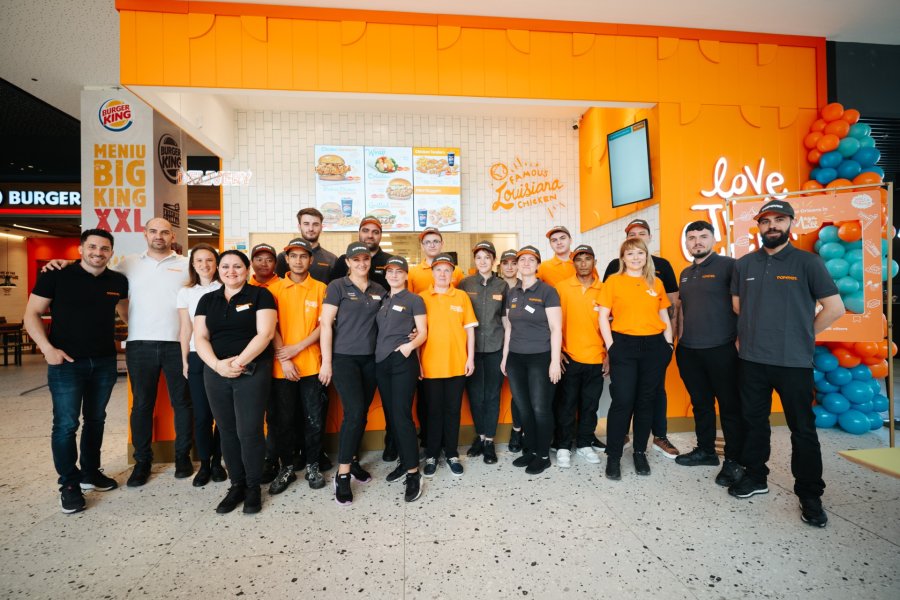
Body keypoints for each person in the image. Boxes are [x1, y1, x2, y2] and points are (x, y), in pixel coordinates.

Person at [730, 200, 844, 527]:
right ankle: (756, 477)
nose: (772, 226)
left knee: (802, 430)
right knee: (754, 423)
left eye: (779, 219)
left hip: (793, 363)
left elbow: (834, 308)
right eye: (766, 221)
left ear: (790, 223)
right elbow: (738, 307)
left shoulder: (808, 262)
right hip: (751, 360)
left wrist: (802, 335)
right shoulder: (744, 265)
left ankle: (810, 494)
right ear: (758, 226)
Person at [24, 229, 128, 513]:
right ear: (81, 249)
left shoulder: (117, 281)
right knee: (66, 424)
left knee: (96, 419)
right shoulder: (56, 275)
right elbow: (31, 314)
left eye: (104, 249)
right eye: (92, 247)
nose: (98, 253)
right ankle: (69, 484)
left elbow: (126, 313)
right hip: (66, 363)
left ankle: (90, 472)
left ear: (111, 252)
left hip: (104, 361)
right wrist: (47, 348)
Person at [193, 250, 277, 514]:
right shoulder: (207, 300)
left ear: (247, 269)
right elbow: (200, 337)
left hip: (252, 369)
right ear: (218, 270)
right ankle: (236, 485)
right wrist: (217, 365)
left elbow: (266, 334)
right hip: (215, 372)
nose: (231, 271)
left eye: (237, 266)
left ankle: (253, 487)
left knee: (249, 431)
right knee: (227, 430)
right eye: (225, 266)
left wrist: (239, 362)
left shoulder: (261, 295)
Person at [602, 218, 681, 459]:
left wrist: (669, 344)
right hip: (624, 345)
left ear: (647, 255)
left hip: (654, 346)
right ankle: (614, 455)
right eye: (630, 253)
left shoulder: (656, 281)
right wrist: (611, 347)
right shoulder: (613, 280)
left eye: (640, 253)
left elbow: (666, 314)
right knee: (623, 399)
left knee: (647, 400)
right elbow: (603, 316)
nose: (635, 257)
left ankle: (640, 452)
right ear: (622, 257)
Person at [674, 221, 744, 488]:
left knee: (729, 407)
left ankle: (734, 460)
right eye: (692, 238)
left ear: (714, 239)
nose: (697, 242)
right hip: (690, 350)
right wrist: (678, 341)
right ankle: (706, 451)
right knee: (701, 404)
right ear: (687, 243)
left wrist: (741, 341)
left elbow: (744, 306)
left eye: (703, 236)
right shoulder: (685, 273)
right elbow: (682, 310)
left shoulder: (729, 266)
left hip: (722, 349)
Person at [320, 242, 387, 505]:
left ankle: (354, 460)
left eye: (365, 259)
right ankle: (343, 473)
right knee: (355, 412)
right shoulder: (337, 286)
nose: (361, 263)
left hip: (371, 360)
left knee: (361, 413)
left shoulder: (379, 289)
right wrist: (326, 362)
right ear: (347, 262)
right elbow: (326, 324)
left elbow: (389, 322)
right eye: (355, 259)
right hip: (344, 359)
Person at [269, 238, 329, 495]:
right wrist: (285, 358)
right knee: (283, 421)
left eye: (303, 256)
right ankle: (286, 468)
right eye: (293, 256)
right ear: (286, 259)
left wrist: (298, 348)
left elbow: (324, 326)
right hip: (282, 368)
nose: (298, 260)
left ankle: (313, 465)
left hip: (312, 366)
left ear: (311, 260)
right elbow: (270, 327)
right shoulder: (274, 289)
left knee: (314, 419)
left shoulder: (320, 288)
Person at [501, 246, 562, 475]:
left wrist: (554, 361)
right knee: (524, 408)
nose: (526, 263)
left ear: (537, 265)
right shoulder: (513, 293)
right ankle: (531, 449)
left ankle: (543, 456)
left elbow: (556, 328)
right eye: (522, 259)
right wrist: (505, 358)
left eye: (531, 259)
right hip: (516, 358)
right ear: (517, 265)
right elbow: (509, 328)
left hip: (540, 357)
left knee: (540, 408)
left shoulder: (548, 292)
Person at [374, 256, 428, 501]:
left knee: (402, 416)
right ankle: (404, 462)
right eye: (390, 271)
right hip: (381, 363)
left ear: (406, 275)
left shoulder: (414, 300)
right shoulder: (383, 300)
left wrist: (408, 347)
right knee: (391, 416)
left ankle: (413, 473)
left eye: (399, 271)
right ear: (385, 275)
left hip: (402, 361)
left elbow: (423, 332)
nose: (394, 275)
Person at [419, 253, 477, 478]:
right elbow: (416, 333)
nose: (442, 274)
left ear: (453, 274)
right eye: (438, 269)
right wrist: (418, 362)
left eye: (447, 270)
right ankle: (432, 454)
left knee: (453, 411)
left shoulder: (461, 296)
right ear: (432, 273)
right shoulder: (422, 298)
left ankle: (452, 453)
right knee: (433, 412)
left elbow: (469, 329)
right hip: (430, 365)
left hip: (457, 364)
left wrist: (470, 358)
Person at [177, 243, 227, 487]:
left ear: (216, 264)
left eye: (209, 260)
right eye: (199, 261)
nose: (204, 265)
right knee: (202, 414)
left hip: (223, 355)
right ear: (193, 265)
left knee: (223, 414)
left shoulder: (226, 286)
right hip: (197, 356)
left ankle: (218, 461)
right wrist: (184, 358)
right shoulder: (186, 292)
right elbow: (185, 328)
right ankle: (205, 464)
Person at [554, 244, 608, 468]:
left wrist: (608, 354)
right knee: (566, 405)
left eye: (588, 258)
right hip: (569, 357)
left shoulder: (605, 289)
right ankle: (563, 446)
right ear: (573, 263)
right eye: (579, 259)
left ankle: (585, 443)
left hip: (596, 358)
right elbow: (552, 323)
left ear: (595, 261)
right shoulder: (561, 287)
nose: (583, 263)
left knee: (590, 406)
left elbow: (612, 325)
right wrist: (557, 351)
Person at [459, 241, 507, 465]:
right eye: (479, 257)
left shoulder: (502, 286)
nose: (483, 261)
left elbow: (506, 321)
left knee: (492, 395)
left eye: (487, 257)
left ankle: (489, 441)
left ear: (494, 260)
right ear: (474, 261)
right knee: (476, 395)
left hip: (496, 347)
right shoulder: (465, 284)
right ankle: (479, 437)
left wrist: (507, 353)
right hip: (471, 349)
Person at [248, 242, 284, 483]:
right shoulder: (242, 286)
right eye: (259, 259)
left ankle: (273, 458)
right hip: (249, 358)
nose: (264, 264)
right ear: (251, 262)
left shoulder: (283, 286)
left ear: (275, 263)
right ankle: (253, 458)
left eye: (269, 259)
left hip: (277, 357)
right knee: (251, 414)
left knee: (276, 413)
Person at [498, 248, 524, 453]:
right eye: (505, 263)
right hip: (495, 346)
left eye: (513, 262)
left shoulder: (527, 286)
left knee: (520, 393)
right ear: (499, 266)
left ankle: (519, 430)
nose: (509, 267)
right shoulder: (495, 286)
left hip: (521, 346)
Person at [274, 207, 338, 283]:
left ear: (321, 227)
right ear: (299, 227)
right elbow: (278, 285)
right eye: (306, 224)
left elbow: (337, 288)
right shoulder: (283, 257)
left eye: (315, 224)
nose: (311, 228)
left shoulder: (332, 259)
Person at [329, 215, 393, 290]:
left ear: (381, 235)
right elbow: (332, 289)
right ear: (359, 232)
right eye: (365, 231)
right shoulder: (343, 261)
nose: (370, 235)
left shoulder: (390, 261)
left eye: (375, 232)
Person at [407, 227, 464, 294]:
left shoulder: (457, 271)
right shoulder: (412, 273)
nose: (432, 245)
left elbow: (461, 296)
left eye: (436, 241)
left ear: (442, 244)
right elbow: (408, 298)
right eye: (427, 242)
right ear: (422, 246)